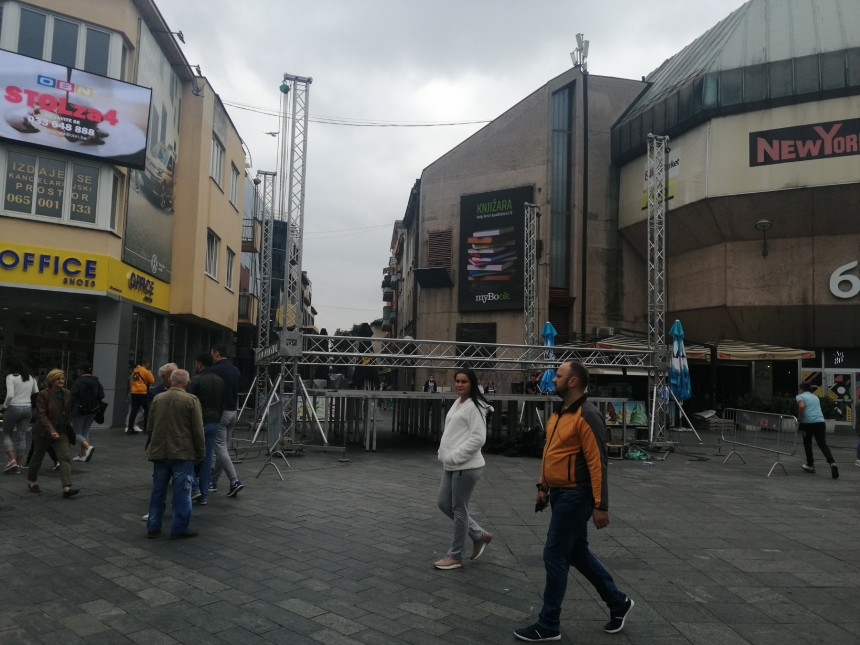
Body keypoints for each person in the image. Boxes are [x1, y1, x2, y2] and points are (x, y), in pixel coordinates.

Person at [515, 361, 633, 642]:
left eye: (557, 376)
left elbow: (598, 463)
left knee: (554, 554)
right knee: (577, 554)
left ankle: (549, 623)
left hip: (575, 495)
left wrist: (600, 505)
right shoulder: (559, 414)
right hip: (559, 492)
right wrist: (543, 486)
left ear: (573, 382)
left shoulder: (588, 415)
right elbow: (551, 453)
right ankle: (618, 602)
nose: (552, 379)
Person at [434, 368, 493, 570]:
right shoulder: (459, 402)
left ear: (472, 383)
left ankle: (455, 555)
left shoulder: (475, 407)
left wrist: (455, 456)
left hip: (466, 465)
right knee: (444, 503)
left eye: (464, 382)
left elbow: (478, 438)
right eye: (457, 381)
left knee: (459, 509)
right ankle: (478, 534)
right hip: (452, 464)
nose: (459, 384)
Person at [145, 369, 205, 539]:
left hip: (160, 451)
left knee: (158, 490)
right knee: (182, 492)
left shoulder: (158, 399)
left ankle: (153, 526)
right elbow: (198, 430)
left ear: (170, 381)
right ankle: (179, 528)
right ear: (187, 383)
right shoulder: (191, 400)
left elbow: (149, 426)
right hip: (182, 452)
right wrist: (201, 451)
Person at [28, 369, 79, 498]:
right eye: (58, 379)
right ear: (51, 380)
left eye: (63, 378)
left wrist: (67, 424)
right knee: (37, 457)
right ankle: (32, 481)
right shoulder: (43, 394)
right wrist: (51, 430)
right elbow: (42, 415)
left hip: (61, 431)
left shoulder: (67, 393)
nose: (61, 381)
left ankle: (66, 488)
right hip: (43, 431)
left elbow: (68, 410)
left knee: (64, 457)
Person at [187, 352, 226, 505]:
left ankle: (195, 489)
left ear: (200, 364)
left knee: (189, 455)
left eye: (196, 363)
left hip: (198, 422)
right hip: (214, 422)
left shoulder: (195, 380)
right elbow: (222, 403)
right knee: (207, 458)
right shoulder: (220, 381)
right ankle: (203, 495)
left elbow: (189, 404)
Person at [208, 344, 244, 497]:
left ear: (216, 354)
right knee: (223, 450)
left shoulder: (215, 370)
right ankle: (213, 481)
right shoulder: (235, 369)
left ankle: (234, 481)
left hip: (221, 413)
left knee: (220, 449)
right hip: (233, 412)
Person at [3, 358, 39, 473]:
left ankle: (12, 461)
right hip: (27, 408)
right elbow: (36, 392)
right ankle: (17, 466)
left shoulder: (10, 377)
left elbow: (10, 395)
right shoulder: (31, 377)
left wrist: (4, 406)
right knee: (21, 436)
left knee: (7, 433)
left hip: (13, 407)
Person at [796, 382, 838, 478]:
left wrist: (798, 419)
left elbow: (801, 406)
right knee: (822, 444)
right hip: (820, 422)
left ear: (802, 389)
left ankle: (810, 465)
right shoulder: (815, 397)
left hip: (807, 423)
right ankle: (832, 463)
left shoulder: (800, 396)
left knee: (807, 444)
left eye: (799, 389)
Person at [70, 362, 103, 463]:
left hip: (79, 410)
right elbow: (102, 395)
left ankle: (88, 448)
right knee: (85, 432)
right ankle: (82, 455)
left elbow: (72, 396)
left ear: (81, 371)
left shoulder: (78, 382)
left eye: (78, 370)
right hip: (93, 410)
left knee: (75, 432)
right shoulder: (96, 380)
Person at [128, 359, 155, 434]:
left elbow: (131, 382)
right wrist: (150, 373)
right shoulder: (145, 371)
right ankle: (146, 428)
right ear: (147, 364)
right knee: (147, 410)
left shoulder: (135, 371)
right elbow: (152, 381)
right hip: (142, 393)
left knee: (134, 411)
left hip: (134, 393)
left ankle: (130, 428)